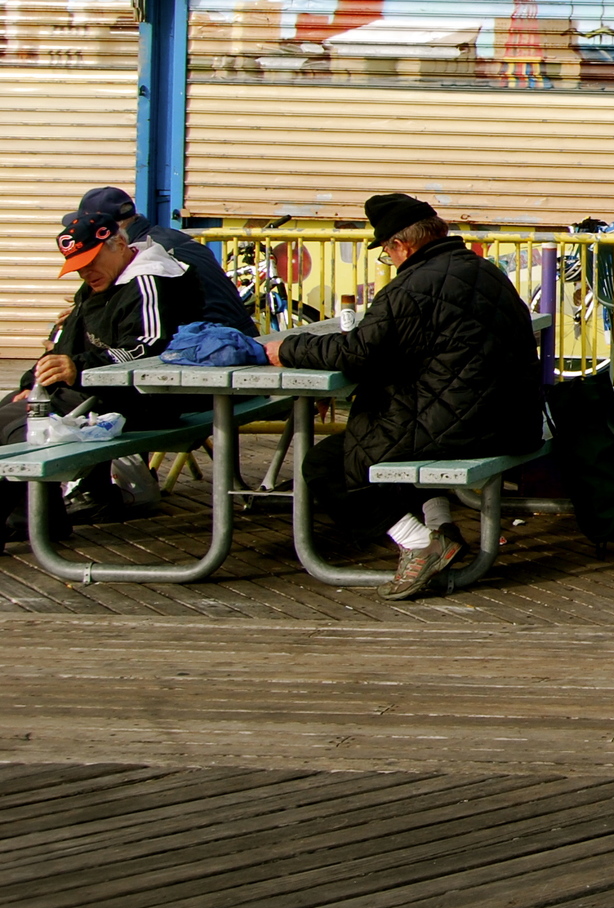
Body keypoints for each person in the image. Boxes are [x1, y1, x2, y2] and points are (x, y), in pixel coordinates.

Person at [266, 194, 544, 601]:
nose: (390, 262)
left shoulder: (410, 287)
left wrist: (286, 349)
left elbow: (356, 353)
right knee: (396, 437)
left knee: (329, 463)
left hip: (468, 426)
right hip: (512, 420)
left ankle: (417, 542)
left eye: (387, 254)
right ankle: (441, 526)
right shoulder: (485, 271)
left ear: (402, 246)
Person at [1, 208, 207, 536]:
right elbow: (63, 345)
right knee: (11, 410)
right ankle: (36, 520)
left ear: (119, 245)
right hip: (101, 392)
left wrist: (77, 368)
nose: (85, 273)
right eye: (78, 268)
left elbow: (152, 349)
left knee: (19, 428)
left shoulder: (152, 280)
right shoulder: (97, 286)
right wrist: (34, 382)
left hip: (149, 400)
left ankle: (36, 522)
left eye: (90, 262)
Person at [67, 186, 251, 334]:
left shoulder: (144, 258)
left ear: (113, 232)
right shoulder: (172, 237)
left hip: (211, 343)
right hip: (241, 334)